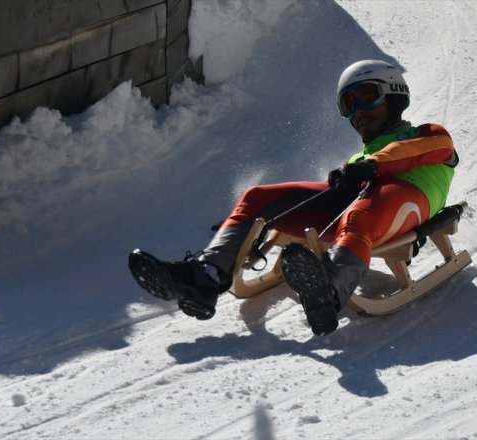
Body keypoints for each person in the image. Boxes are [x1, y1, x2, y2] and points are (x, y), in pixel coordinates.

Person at [129, 60, 459, 336]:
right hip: (355, 216)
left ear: (394, 96)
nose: (358, 110)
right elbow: (330, 201)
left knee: (359, 213)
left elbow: (410, 152)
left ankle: (330, 291)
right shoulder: (358, 162)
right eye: (348, 104)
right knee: (258, 197)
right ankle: (206, 276)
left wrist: (371, 166)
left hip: (406, 202)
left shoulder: (428, 134)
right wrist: (250, 231)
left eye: (367, 96)